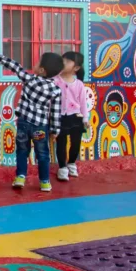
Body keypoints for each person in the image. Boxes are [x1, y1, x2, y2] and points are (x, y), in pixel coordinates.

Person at [0, 49, 63, 191]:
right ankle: (45, 182)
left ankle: (20, 177)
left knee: (22, 151)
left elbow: (15, 67)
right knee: (42, 154)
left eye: (37, 62)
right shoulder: (55, 90)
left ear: (41, 70)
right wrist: (55, 130)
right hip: (40, 127)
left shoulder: (29, 79)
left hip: (23, 123)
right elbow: (55, 112)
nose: (34, 64)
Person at [54, 52, 88, 181]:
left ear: (76, 68)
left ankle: (72, 163)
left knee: (76, 143)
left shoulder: (79, 84)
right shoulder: (55, 80)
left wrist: (85, 118)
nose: (64, 63)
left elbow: (83, 103)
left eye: (67, 61)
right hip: (60, 117)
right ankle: (62, 167)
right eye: (63, 60)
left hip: (76, 117)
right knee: (61, 143)